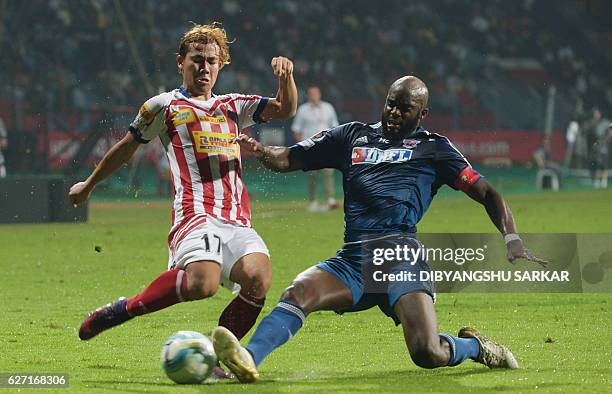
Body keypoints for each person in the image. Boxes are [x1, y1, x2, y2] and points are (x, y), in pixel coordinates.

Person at [210, 76, 548, 383]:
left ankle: (474, 346)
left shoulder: (436, 149)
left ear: (423, 113)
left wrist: (512, 237)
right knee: (297, 293)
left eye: (405, 108)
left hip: (400, 257)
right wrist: (261, 151)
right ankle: (247, 359)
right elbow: (289, 158)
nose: (395, 113)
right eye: (390, 104)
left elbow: (487, 192)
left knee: (428, 353)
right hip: (353, 259)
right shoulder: (351, 136)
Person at [68, 23, 297, 376]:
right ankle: (123, 309)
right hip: (195, 215)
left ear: (221, 66)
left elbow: (284, 108)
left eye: (212, 62)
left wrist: (286, 76)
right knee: (202, 284)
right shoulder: (164, 105)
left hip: (237, 219)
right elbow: (126, 149)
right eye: (197, 60)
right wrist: (89, 184)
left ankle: (223, 358)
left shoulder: (234, 106)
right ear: (181, 62)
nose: (204, 68)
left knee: (258, 279)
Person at [291, 85, 339, 211]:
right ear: (308, 95)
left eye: (316, 93)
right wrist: (300, 147)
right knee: (312, 174)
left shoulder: (328, 108)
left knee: (328, 172)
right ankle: (313, 201)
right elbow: (297, 129)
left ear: (319, 94)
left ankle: (330, 199)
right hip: (310, 146)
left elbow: (335, 126)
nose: (314, 96)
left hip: (326, 145)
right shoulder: (303, 110)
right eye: (311, 94)